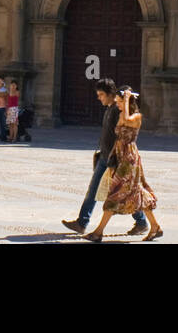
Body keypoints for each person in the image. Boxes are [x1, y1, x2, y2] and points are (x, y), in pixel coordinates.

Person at [62, 78, 148, 237]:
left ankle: (141, 222)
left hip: (113, 159)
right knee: (106, 191)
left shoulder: (117, 110)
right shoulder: (110, 108)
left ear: (111, 94)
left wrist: (114, 160)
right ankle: (83, 222)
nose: (99, 98)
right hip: (105, 156)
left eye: (101, 94)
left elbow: (121, 134)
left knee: (121, 193)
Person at [82, 86, 162, 242]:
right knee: (135, 193)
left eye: (119, 102)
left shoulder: (137, 116)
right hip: (120, 157)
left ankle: (98, 232)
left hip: (129, 159)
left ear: (127, 102)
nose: (117, 105)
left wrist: (125, 99)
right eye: (118, 102)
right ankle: (154, 226)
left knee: (115, 194)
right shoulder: (121, 114)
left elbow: (126, 120)